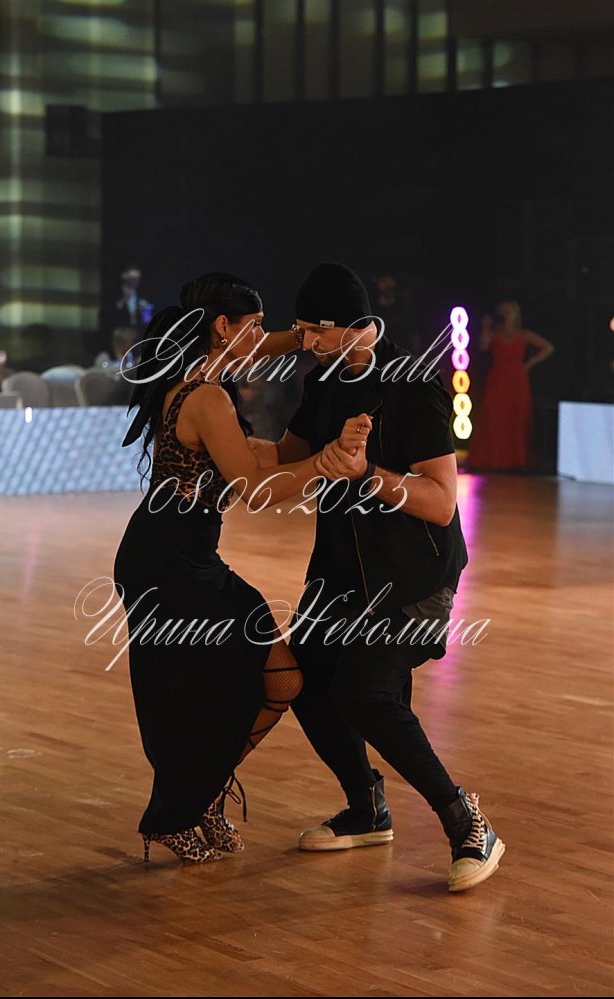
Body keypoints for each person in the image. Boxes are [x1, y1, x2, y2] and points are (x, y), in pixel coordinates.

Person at [273, 261, 505, 892]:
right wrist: (207, 436)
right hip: (340, 572)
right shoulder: (324, 381)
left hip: (413, 575)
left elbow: (442, 502)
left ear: (347, 326)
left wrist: (367, 474)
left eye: (313, 331)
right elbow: (286, 458)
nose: (305, 343)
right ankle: (366, 808)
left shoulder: (412, 384)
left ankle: (467, 823)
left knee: (365, 693)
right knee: (297, 676)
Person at [113, 272, 343, 866]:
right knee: (207, 691)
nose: (263, 339)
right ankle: (178, 810)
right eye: (254, 325)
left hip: (184, 557)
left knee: (269, 680)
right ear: (222, 327)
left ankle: (199, 795)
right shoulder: (207, 397)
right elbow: (255, 490)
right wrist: (327, 463)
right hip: (168, 564)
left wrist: (311, 336)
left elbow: (258, 348)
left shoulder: (202, 370)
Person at [467, 300, 555, 471]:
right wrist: (485, 326)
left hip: (517, 379)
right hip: (498, 378)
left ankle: (515, 460)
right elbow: (483, 346)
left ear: (515, 314)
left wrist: (529, 364)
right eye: (503, 311)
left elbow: (548, 347)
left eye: (509, 311)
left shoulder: (523, 334)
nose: (506, 314)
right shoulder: (495, 333)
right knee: (495, 416)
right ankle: (491, 459)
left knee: (516, 417)